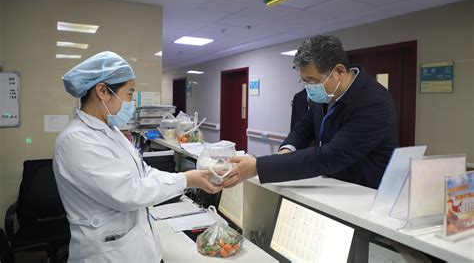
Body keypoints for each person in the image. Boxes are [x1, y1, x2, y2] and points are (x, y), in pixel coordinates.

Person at [53, 51, 222, 262]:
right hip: (107, 254)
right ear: (102, 91)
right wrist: (187, 179)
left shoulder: (112, 131)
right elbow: (129, 193)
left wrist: (189, 176)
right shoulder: (76, 141)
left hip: (137, 247)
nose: (132, 102)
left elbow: (144, 172)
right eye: (130, 93)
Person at [223, 35, 398, 189]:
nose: (309, 88)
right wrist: (286, 151)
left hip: (363, 193)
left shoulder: (373, 102)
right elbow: (304, 127)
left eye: (312, 80)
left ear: (339, 72)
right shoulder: (327, 95)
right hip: (330, 185)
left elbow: (331, 156)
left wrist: (258, 166)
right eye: (304, 81)